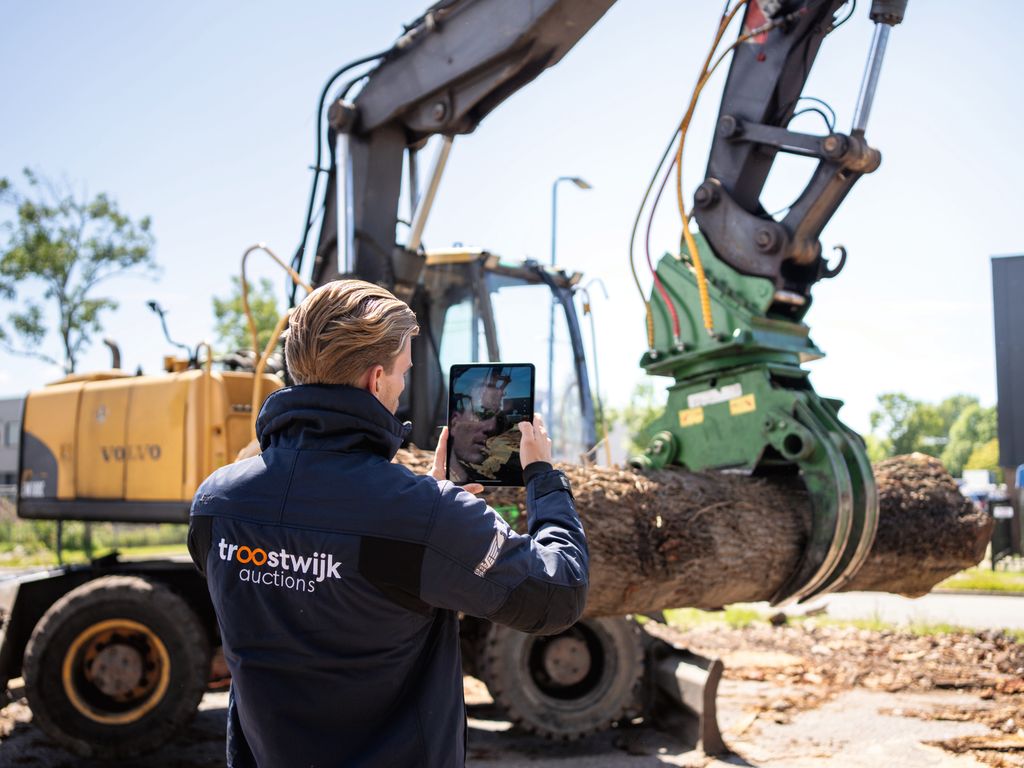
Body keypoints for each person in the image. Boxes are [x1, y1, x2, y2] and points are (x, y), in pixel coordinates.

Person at [187, 279, 588, 768]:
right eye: (403, 373)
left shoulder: (214, 503)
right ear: (376, 380)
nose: (401, 389)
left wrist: (431, 511)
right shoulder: (423, 516)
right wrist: (542, 477)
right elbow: (558, 592)